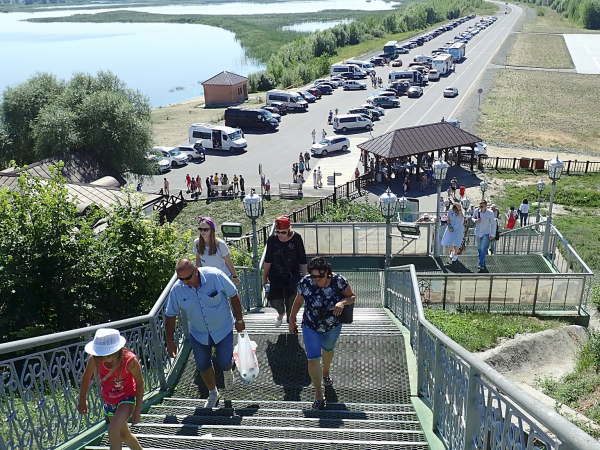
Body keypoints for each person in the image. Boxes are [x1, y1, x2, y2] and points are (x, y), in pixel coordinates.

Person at [165, 259, 245, 408]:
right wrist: (170, 341)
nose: (185, 282)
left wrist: (239, 320)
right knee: (202, 365)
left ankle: (228, 370)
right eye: (181, 279)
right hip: (199, 333)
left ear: (196, 270)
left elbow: (233, 294)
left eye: (188, 278)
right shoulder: (177, 289)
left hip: (223, 329)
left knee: (225, 361)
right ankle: (213, 393)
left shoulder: (215, 276)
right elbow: (170, 315)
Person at [289, 257, 356, 410]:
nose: (317, 279)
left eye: (321, 276)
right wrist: (291, 319)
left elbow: (352, 296)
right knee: (313, 359)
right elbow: (298, 301)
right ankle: (319, 395)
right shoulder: (306, 282)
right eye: (314, 276)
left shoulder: (338, 280)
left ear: (328, 273)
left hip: (332, 325)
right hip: (311, 325)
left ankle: (326, 371)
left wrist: (342, 302)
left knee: (328, 350)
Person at [78, 328, 144, 450]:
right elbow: (86, 378)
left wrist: (137, 410)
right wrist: (82, 401)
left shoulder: (130, 361)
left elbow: (140, 383)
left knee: (113, 430)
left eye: (106, 355)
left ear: (117, 351)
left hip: (126, 398)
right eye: (99, 355)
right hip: (109, 401)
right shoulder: (95, 359)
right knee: (124, 434)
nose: (102, 359)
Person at [263, 215, 307, 328]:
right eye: (278, 232)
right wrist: (264, 277)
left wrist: (304, 276)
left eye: (283, 232)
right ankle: (280, 313)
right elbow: (268, 259)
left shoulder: (296, 238)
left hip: (292, 276)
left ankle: (291, 324)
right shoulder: (272, 240)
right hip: (275, 275)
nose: (280, 235)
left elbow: (302, 258)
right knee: (275, 301)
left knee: (291, 303)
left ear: (289, 230)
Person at [194, 216, 240, 285]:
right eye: (200, 229)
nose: (203, 232)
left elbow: (228, 261)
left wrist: (235, 276)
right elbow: (198, 260)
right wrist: (199, 277)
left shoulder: (220, 244)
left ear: (212, 230)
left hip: (224, 277)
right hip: (208, 279)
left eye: (206, 229)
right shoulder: (196, 243)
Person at [473, 200, 497, 271]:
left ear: (486, 206)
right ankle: (481, 258)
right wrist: (475, 220)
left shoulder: (490, 213)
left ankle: (481, 264)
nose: (481, 207)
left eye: (482, 206)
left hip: (486, 233)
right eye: (480, 205)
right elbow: (472, 218)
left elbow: (493, 224)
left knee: (483, 248)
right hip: (478, 232)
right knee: (479, 247)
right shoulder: (476, 211)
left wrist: (492, 234)